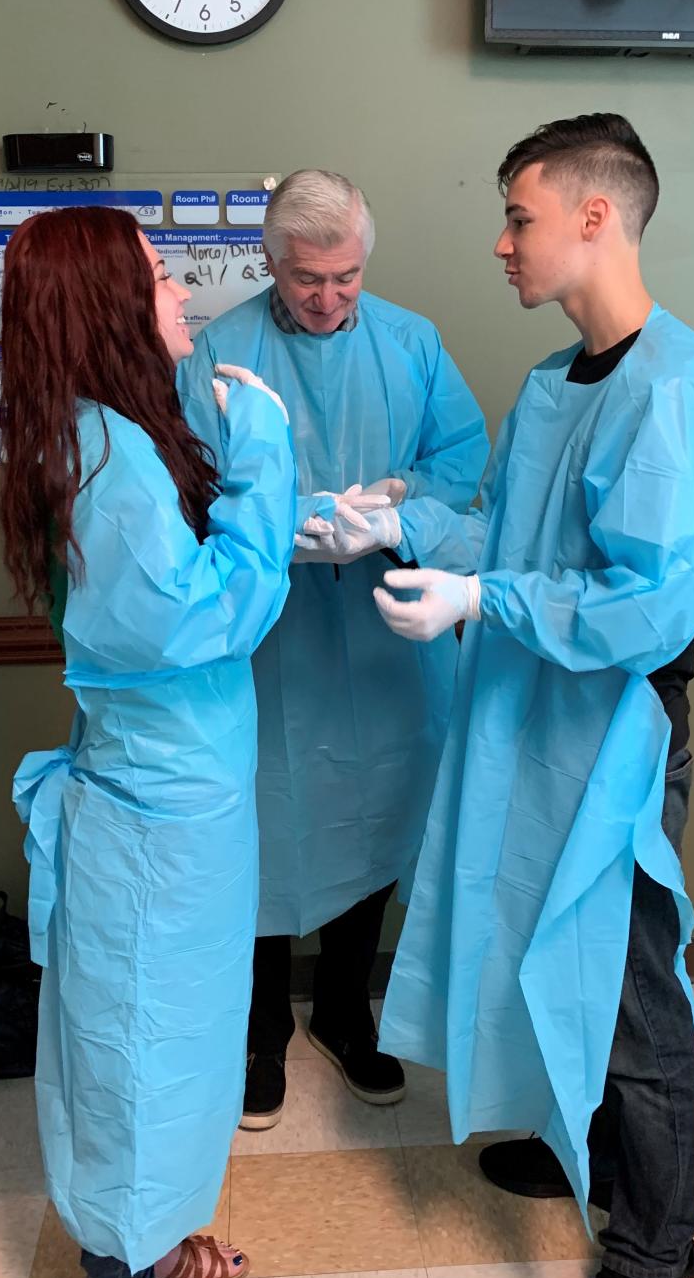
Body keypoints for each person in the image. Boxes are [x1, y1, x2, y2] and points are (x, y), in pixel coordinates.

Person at [370, 115, 694, 1278]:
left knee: (630, 988)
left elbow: (649, 602)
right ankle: (574, 1137)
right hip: (535, 712)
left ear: (595, 217)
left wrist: (484, 599)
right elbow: (509, 538)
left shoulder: (675, 387)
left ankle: (655, 1258)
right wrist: (394, 522)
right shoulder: (549, 386)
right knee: (533, 934)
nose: (502, 242)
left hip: (617, 728)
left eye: (519, 217)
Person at [0, 207, 296, 1278]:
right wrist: (268, 470)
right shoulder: (111, 464)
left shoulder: (114, 437)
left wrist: (292, 520)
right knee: (136, 1049)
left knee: (182, 1033)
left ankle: (152, 1228)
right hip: (157, 814)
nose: (181, 295)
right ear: (110, 304)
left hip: (187, 802)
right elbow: (202, 618)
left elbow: (190, 577)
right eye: (161, 277)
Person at [179, 170, 488, 1128]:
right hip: (268, 639)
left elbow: (464, 468)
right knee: (262, 825)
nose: (328, 298)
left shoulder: (413, 343)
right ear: (269, 263)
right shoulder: (221, 353)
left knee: (381, 814)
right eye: (308, 279)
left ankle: (349, 1012)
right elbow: (190, 482)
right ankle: (261, 1025)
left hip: (390, 633)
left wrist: (393, 506)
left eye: (346, 277)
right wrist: (276, 528)